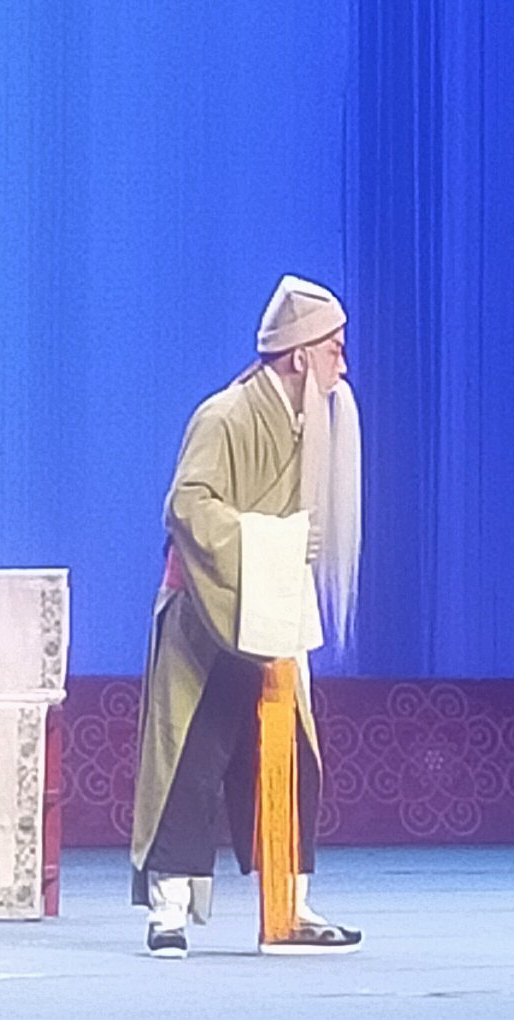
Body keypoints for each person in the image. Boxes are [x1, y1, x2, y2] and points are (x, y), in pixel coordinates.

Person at [130, 275, 365, 956]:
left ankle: (289, 907)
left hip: (272, 613)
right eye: (334, 349)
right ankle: (169, 909)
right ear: (299, 355)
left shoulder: (309, 425)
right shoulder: (225, 416)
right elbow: (187, 505)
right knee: (192, 757)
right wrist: (272, 540)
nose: (343, 365)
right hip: (207, 612)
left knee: (292, 759)